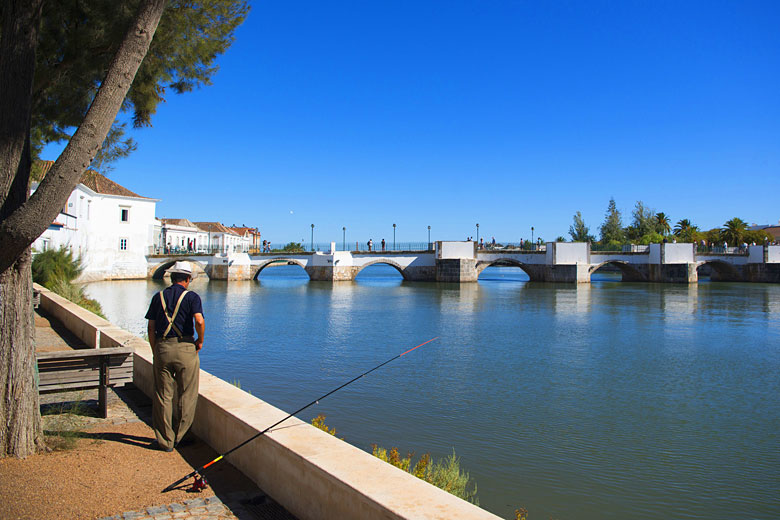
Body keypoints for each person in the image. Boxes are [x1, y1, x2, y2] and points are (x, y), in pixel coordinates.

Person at [145, 261, 205, 452]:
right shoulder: (192, 297)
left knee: (163, 395)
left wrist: (156, 348)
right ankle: (181, 436)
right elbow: (199, 320)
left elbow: (151, 327)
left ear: (171, 278)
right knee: (187, 394)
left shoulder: (158, 297)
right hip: (186, 347)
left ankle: (165, 441)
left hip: (162, 347)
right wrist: (200, 340)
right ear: (187, 279)